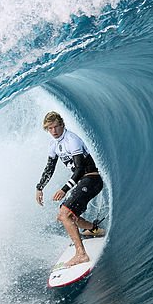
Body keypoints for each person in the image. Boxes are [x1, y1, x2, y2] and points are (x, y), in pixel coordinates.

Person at [35, 111, 105, 266]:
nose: (53, 131)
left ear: (62, 125)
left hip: (91, 179)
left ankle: (81, 254)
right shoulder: (54, 145)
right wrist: (40, 187)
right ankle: (94, 229)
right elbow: (49, 168)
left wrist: (64, 189)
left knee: (65, 214)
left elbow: (79, 169)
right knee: (64, 216)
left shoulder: (72, 140)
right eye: (50, 128)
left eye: (55, 127)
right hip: (83, 182)